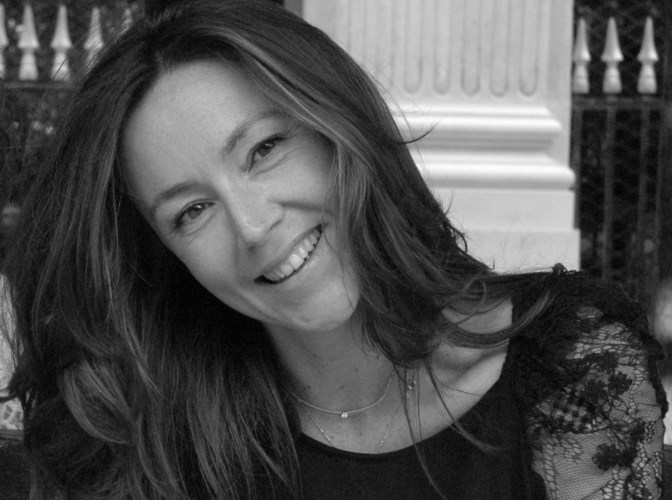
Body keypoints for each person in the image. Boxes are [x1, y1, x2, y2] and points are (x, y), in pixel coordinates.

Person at [1, 1, 667, 498]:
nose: (253, 225)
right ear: (166, 258)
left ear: (338, 129)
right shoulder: (159, 442)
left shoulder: (573, 362)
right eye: (192, 211)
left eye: (264, 150)